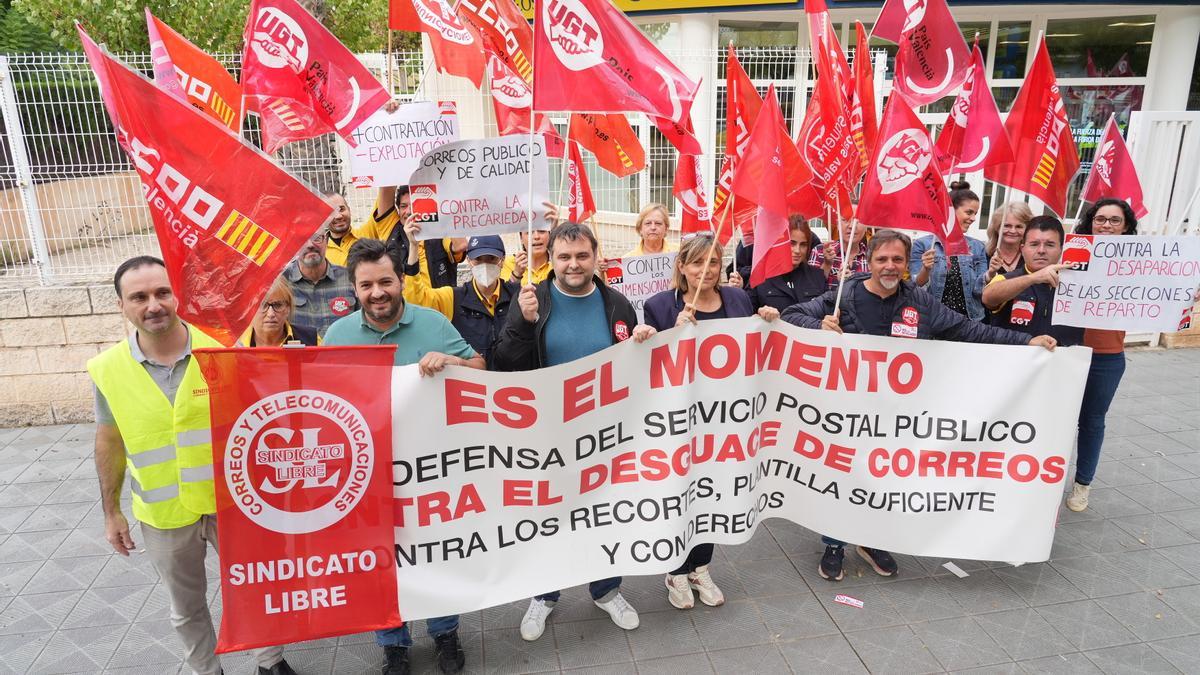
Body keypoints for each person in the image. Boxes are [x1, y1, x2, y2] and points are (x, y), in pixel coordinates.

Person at [782, 230, 1057, 581]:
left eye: (898, 259)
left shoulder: (919, 302)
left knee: (885, 478)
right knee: (844, 477)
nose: (890, 266)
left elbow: (970, 330)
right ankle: (835, 543)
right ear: (872, 260)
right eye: (882, 259)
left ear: (907, 263)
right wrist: (818, 325)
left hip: (899, 416)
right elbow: (792, 315)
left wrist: (1026, 341)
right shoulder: (845, 294)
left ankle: (873, 541)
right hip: (850, 413)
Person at [87, 256, 298, 675]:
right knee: (186, 607)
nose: (154, 304)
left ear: (177, 296)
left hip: (233, 502)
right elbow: (109, 440)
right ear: (121, 306)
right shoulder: (107, 370)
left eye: (163, 292)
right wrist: (111, 512)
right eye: (139, 296)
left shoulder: (221, 348)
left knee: (254, 587)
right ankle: (206, 669)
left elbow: (261, 419)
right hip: (164, 514)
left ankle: (270, 662)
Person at [323, 239, 484, 675]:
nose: (377, 292)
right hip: (369, 476)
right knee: (380, 562)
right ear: (354, 288)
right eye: (366, 285)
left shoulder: (432, 321)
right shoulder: (337, 337)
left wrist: (451, 361)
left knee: (435, 555)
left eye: (386, 282)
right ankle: (392, 642)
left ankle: (445, 633)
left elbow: (481, 369)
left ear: (400, 281)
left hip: (432, 472)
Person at [491, 221, 656, 640]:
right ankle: (544, 595)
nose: (573, 264)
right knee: (548, 517)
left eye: (582, 255)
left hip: (605, 436)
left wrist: (642, 342)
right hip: (548, 437)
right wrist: (524, 324)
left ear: (595, 256)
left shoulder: (616, 303)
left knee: (605, 514)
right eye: (564, 256)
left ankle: (606, 590)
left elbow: (632, 368)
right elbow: (504, 363)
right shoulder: (534, 300)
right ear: (553, 259)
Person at [642, 235, 778, 609]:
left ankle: (700, 566)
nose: (706, 270)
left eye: (714, 263)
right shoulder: (658, 306)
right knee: (681, 496)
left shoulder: (737, 299)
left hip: (727, 423)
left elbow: (752, 348)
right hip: (682, 421)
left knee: (712, 495)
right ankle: (675, 570)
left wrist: (767, 322)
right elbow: (650, 363)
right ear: (682, 267)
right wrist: (670, 331)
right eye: (698, 263)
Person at [1061, 198, 1139, 512]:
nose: (1106, 225)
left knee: (1092, 421)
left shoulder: (1140, 265)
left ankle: (1082, 485)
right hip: (1068, 350)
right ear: (1090, 222)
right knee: (1057, 419)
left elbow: (1165, 290)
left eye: (1114, 220)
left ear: (1127, 227)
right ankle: (1044, 480)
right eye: (1100, 219)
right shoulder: (1073, 255)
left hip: (1107, 356)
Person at [402, 221, 517, 364]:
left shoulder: (518, 296)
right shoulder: (454, 297)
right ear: (469, 261)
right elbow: (416, 301)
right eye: (478, 259)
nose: (485, 265)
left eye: (491, 259)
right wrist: (413, 247)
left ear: (502, 260)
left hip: (513, 381)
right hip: (471, 382)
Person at [982, 215, 1082, 346]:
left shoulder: (1080, 283)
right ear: (1022, 248)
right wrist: (1034, 277)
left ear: (1061, 249)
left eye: (1050, 245)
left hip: (1064, 363)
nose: (1041, 251)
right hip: (1014, 362)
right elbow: (988, 297)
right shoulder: (1006, 278)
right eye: (1034, 244)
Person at [354, 184, 466, 288]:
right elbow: (386, 185)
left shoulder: (439, 230)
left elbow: (460, 246)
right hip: (403, 307)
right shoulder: (391, 228)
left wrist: (443, 208)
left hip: (436, 307)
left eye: (414, 206)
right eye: (403, 206)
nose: (408, 212)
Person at [910, 182, 989, 320]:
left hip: (969, 322)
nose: (973, 219)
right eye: (969, 212)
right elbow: (916, 286)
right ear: (950, 211)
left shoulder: (978, 247)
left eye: (975, 213)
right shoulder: (923, 245)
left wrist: (991, 273)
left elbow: (979, 291)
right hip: (933, 321)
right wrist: (926, 270)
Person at [282, 227, 358, 339]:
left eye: (316, 238)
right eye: (302, 240)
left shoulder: (350, 279)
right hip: (299, 356)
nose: (310, 245)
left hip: (343, 355)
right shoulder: (281, 283)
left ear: (326, 240)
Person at [743, 216, 828, 311]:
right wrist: (760, 313)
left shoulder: (817, 276)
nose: (797, 250)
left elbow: (827, 310)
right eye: (792, 243)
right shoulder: (760, 276)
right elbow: (746, 312)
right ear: (781, 242)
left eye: (803, 245)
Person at [241, 277, 321, 346]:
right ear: (249, 309)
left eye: (278, 305)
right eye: (263, 305)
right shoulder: (236, 346)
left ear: (288, 308)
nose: (271, 314)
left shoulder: (311, 340)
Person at [810, 209, 869, 290]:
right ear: (837, 224)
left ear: (866, 226)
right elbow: (811, 289)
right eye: (846, 220)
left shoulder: (873, 257)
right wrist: (827, 265)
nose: (852, 226)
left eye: (857, 220)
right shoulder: (820, 251)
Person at [984, 201, 1034, 281]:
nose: (1013, 231)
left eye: (1019, 226)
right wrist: (990, 275)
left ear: (1027, 229)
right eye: (1007, 226)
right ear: (997, 227)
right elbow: (975, 291)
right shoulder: (982, 255)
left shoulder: (1032, 256)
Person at [322, 190, 360, 267]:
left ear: (349, 209)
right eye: (330, 212)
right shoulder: (319, 250)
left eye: (341, 209)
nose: (338, 216)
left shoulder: (367, 233)